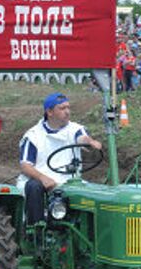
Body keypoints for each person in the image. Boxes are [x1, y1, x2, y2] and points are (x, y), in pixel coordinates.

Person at [17, 93, 102, 226]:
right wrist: (43, 178)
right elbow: (26, 165)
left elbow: (82, 139)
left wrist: (90, 142)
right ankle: (36, 231)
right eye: (62, 108)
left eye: (68, 107)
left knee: (96, 194)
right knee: (33, 187)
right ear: (49, 112)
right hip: (43, 181)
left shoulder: (75, 129)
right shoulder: (33, 136)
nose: (67, 112)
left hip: (70, 180)